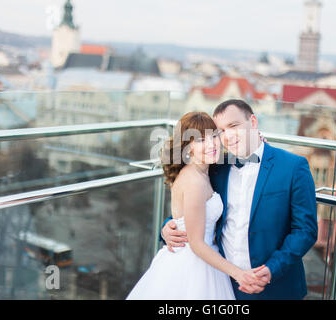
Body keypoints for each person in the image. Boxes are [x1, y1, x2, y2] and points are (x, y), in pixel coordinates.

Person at [161, 99, 318, 300]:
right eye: (220, 132)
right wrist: (168, 227)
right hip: (223, 284)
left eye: (233, 126)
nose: (227, 136)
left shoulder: (293, 166)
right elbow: (193, 209)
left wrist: (271, 269)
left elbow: (305, 230)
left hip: (275, 287)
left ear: (253, 122)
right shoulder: (216, 168)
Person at [126, 111, 265, 300]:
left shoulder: (205, 171)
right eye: (200, 140)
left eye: (214, 136)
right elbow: (197, 244)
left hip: (203, 260)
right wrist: (239, 274)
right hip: (192, 265)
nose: (212, 144)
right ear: (187, 147)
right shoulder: (194, 181)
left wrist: (257, 143)